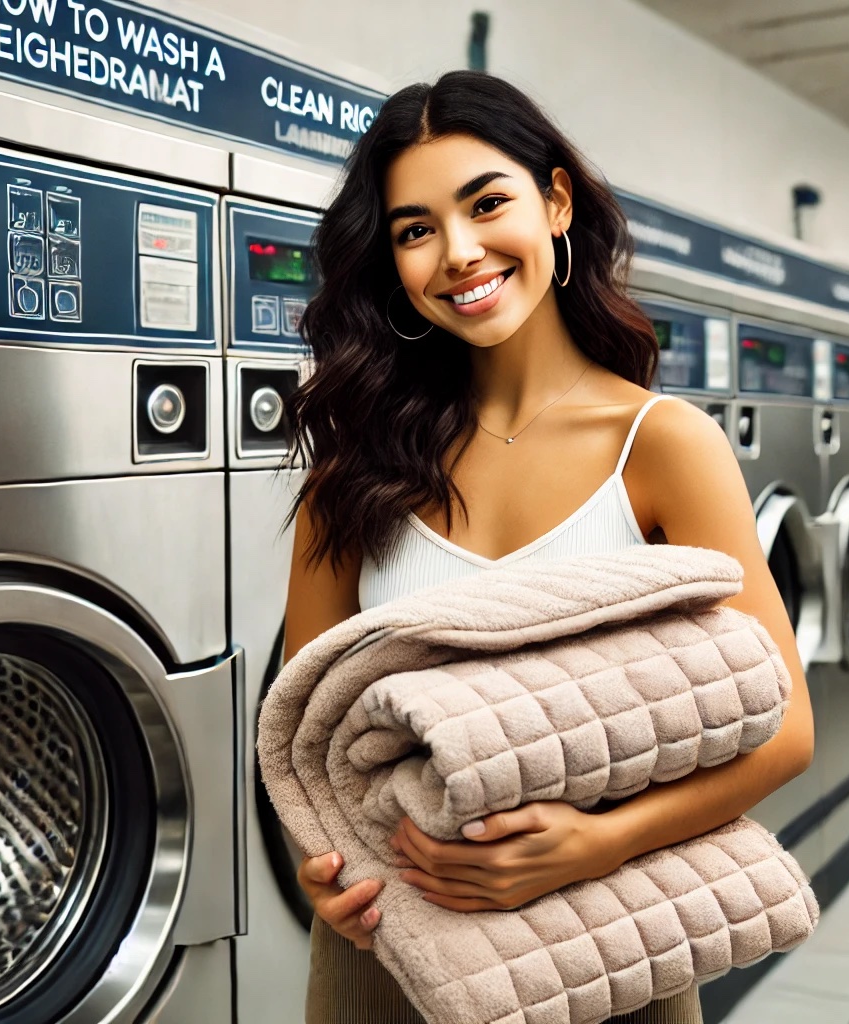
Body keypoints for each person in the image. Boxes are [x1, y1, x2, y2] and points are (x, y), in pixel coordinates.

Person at [282, 69, 814, 1024]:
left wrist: (599, 844)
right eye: (415, 230)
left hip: (607, 947)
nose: (459, 252)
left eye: (487, 204)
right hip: (394, 953)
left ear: (555, 201)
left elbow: (784, 728)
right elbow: (304, 747)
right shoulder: (351, 474)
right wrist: (319, 875)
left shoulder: (659, 445)